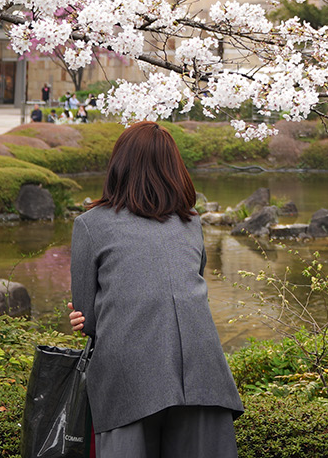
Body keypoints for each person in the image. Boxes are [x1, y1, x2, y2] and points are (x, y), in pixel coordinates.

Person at [66, 121, 242, 458]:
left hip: (129, 378)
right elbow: (192, 287)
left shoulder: (91, 224)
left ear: (119, 166)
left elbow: (88, 319)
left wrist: (89, 316)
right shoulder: (191, 222)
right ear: (174, 169)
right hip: (203, 373)